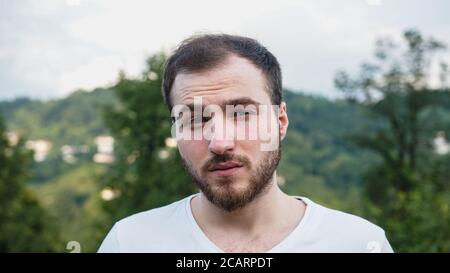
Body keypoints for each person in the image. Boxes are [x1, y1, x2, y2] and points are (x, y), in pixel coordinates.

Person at [98, 34, 393, 253]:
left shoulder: (359, 244)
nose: (220, 142)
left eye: (242, 114)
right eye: (196, 119)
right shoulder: (129, 243)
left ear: (281, 121)